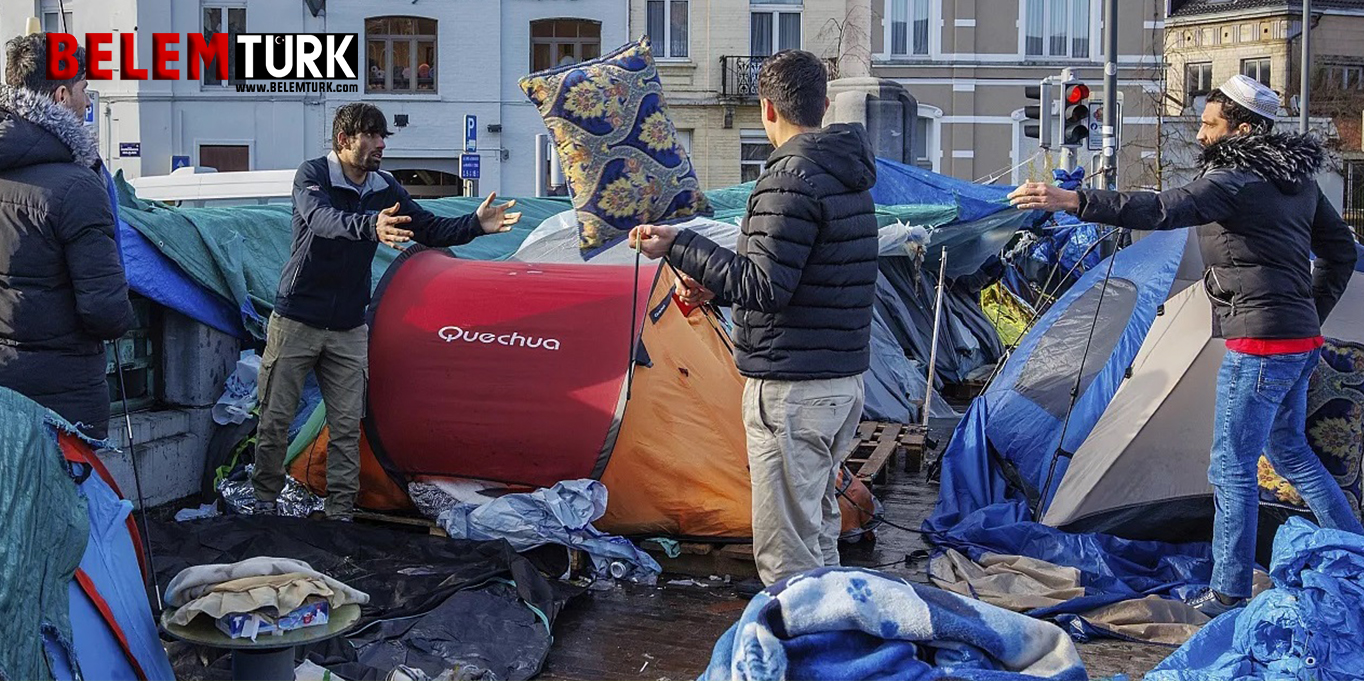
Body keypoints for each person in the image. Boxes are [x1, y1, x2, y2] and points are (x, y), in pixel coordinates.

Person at [1008, 74, 1361, 616]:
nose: (1199, 133)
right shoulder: (1298, 181)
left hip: (1260, 346)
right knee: (1289, 450)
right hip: (1298, 339)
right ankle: (1352, 553)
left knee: (1230, 465)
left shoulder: (1233, 178)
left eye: (1208, 124)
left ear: (1242, 128)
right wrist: (1310, 313)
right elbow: (1341, 250)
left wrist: (1074, 198)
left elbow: (1160, 208)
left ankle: (1228, 591)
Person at [631, 50, 879, 588]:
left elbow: (765, 286)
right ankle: (831, 642)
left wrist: (680, 244)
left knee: (786, 558)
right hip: (839, 382)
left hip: (794, 392)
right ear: (824, 104)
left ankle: (800, 660)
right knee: (817, 535)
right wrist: (715, 282)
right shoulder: (847, 175)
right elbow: (804, 281)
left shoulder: (789, 176)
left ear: (766, 108)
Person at [252, 102, 521, 521]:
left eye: (382, 137)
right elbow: (323, 220)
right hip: (297, 319)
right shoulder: (313, 176)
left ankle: (339, 513)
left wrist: (474, 224)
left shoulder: (385, 187)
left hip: (348, 327)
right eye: (371, 137)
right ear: (344, 141)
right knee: (276, 417)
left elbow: (428, 228)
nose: (380, 144)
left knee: (346, 426)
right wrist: (370, 226)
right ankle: (263, 502)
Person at [0, 34, 134, 440]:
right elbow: (106, 313)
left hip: (5, 391)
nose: (89, 102)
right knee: (76, 502)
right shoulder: (78, 186)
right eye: (84, 89)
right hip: (64, 399)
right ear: (60, 96)